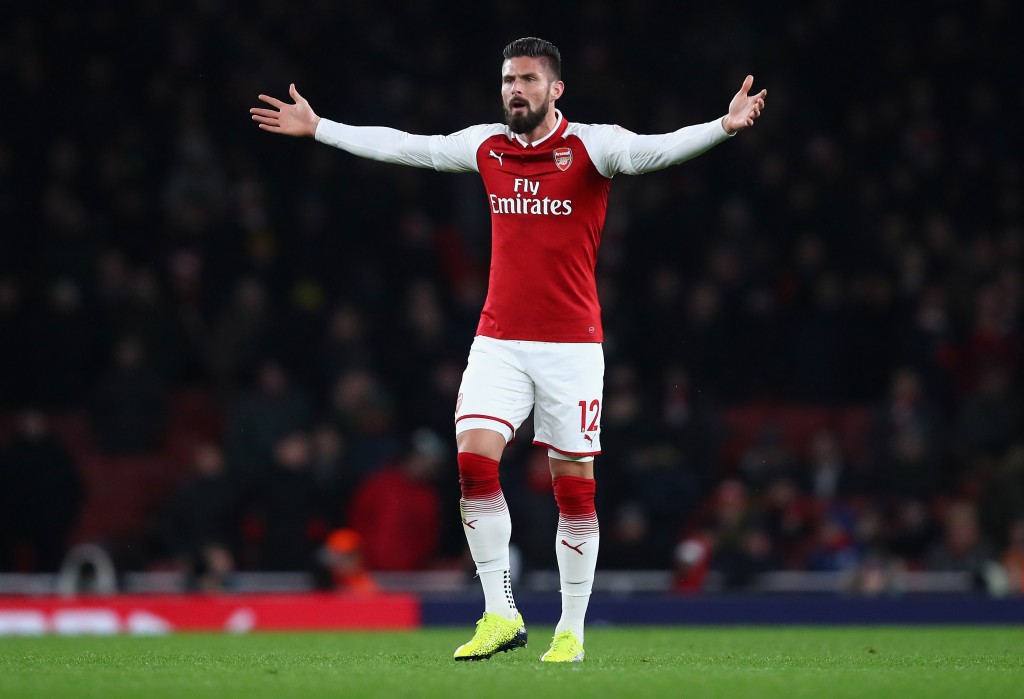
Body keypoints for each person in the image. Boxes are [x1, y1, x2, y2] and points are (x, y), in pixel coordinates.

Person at [251, 36, 766, 662]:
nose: (513, 90)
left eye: (526, 80)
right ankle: (500, 613)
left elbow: (654, 152)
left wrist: (723, 126)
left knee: (573, 489)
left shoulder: (592, 146)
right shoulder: (485, 145)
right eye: (506, 80)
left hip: (572, 348)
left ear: (556, 89)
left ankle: (571, 629)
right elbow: (407, 147)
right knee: (473, 462)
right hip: (498, 341)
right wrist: (322, 129)